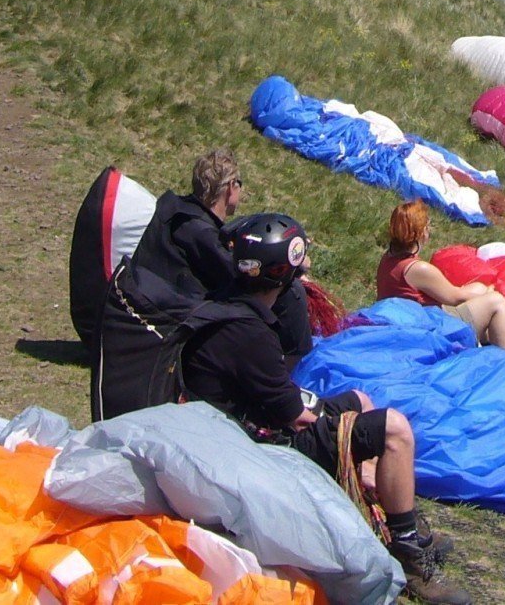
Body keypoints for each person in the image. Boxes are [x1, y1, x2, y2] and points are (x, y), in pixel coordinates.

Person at [181, 213, 471, 605]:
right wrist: (347, 435)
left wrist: (350, 417)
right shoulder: (248, 332)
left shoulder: (230, 305)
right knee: (395, 429)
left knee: (362, 402)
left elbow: (279, 395)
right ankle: (410, 553)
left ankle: (399, 520)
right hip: (256, 450)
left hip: (241, 428)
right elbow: (292, 414)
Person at [123, 145, 314, 364]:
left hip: (155, 307)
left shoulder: (179, 212)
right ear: (230, 187)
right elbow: (246, 275)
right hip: (173, 319)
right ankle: (295, 363)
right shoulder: (198, 231)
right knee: (289, 292)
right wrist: (293, 265)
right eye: (239, 184)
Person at [376, 201, 505, 349]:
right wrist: (489, 292)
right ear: (422, 233)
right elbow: (455, 297)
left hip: (408, 322)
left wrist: (481, 291)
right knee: (496, 301)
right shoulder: (418, 269)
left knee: (478, 289)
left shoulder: (388, 258)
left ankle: (486, 345)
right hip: (428, 330)